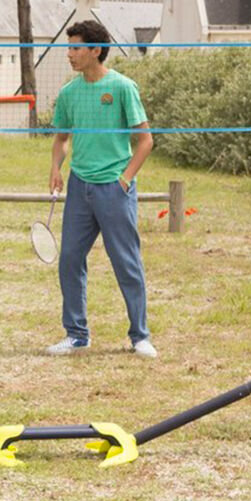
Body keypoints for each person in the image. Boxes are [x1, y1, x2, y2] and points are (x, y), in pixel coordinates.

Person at [47, 20, 157, 358]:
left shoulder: (123, 87)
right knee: (69, 260)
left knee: (126, 262)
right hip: (80, 188)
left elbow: (145, 141)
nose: (70, 55)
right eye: (69, 48)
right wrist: (56, 166)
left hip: (114, 188)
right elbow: (63, 138)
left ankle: (140, 336)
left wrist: (124, 180)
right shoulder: (69, 93)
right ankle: (77, 334)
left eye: (76, 48)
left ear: (96, 50)